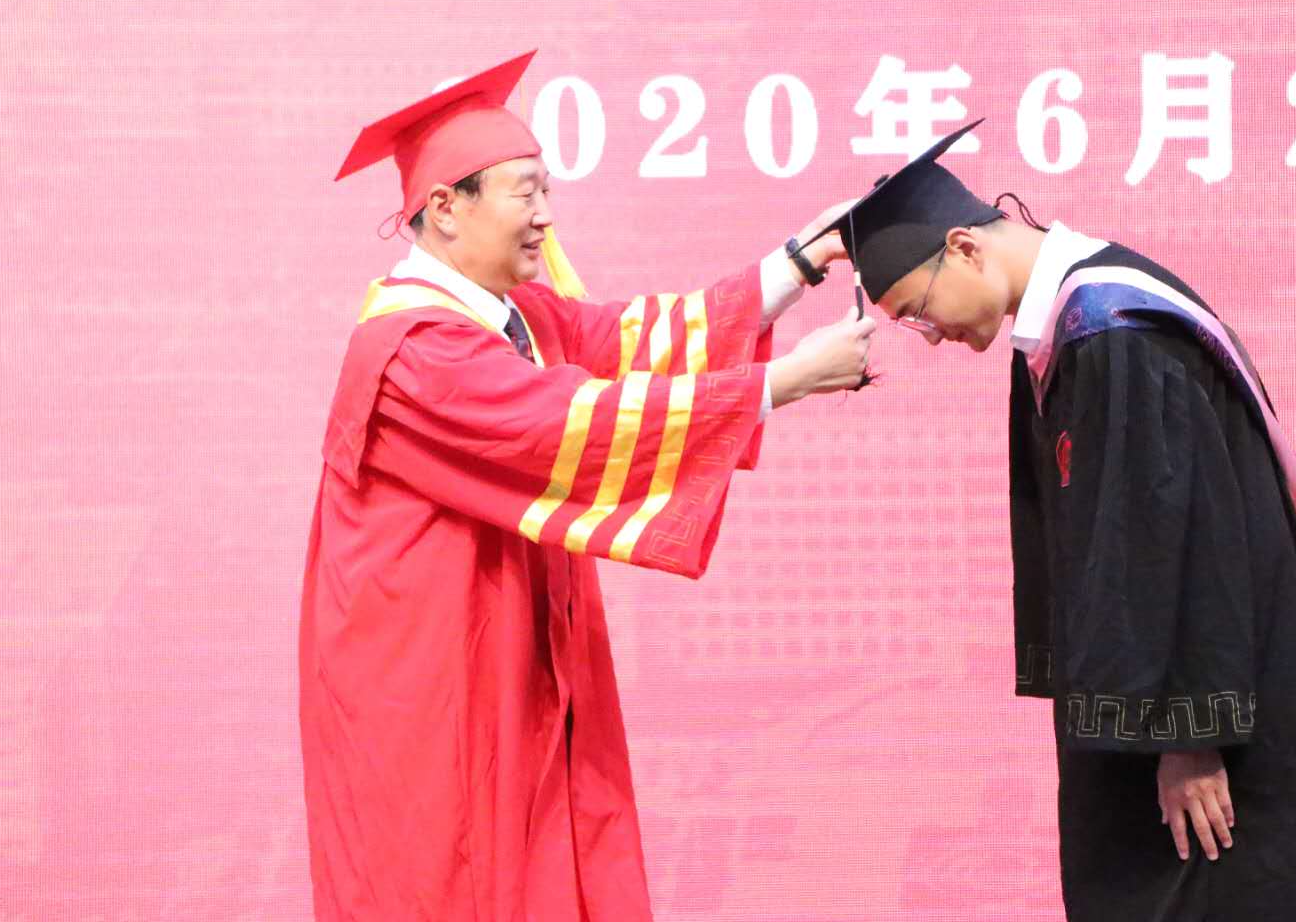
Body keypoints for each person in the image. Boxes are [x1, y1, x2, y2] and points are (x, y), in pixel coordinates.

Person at [299, 50, 873, 921]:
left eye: (547, 191)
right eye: (525, 193)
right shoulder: (413, 349)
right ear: (446, 207)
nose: (546, 217)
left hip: (504, 654)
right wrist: (779, 382)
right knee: (453, 884)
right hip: (433, 687)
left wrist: (800, 261)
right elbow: (572, 423)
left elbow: (631, 340)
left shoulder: (509, 313)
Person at [814, 120, 1296, 921]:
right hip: (1162, 709)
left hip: (1208, 717)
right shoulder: (1064, 327)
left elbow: (1180, 539)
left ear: (964, 247)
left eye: (919, 311)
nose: (932, 336)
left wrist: (1187, 735)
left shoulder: (1116, 335)